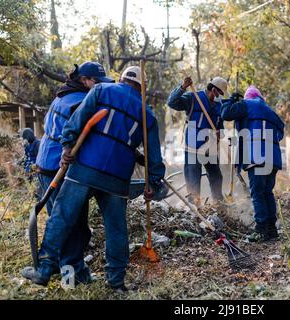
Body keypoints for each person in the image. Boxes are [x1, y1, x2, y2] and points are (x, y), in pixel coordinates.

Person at [22, 66, 168, 292]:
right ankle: (117, 282)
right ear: (142, 89)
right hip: (118, 179)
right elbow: (154, 157)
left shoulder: (101, 90)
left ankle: (43, 270)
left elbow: (77, 121)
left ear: (121, 80)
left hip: (85, 169)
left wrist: (67, 145)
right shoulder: (147, 114)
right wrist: (154, 181)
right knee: (117, 229)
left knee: (61, 218)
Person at [34, 61, 114, 281]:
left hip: (46, 164)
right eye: (95, 82)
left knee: (70, 224)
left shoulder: (62, 95)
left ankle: (70, 271)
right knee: (71, 226)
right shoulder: (80, 101)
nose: (98, 87)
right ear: (84, 80)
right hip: (57, 166)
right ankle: (72, 276)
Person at [221, 85, 285, 242]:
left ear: (247, 97)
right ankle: (272, 230)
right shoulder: (271, 111)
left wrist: (231, 100)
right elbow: (280, 131)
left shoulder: (246, 105)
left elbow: (225, 113)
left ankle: (261, 229)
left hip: (257, 157)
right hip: (273, 158)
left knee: (257, 194)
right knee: (267, 192)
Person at [167, 76, 227, 206]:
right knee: (194, 179)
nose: (220, 96)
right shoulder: (194, 98)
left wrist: (220, 134)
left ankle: (219, 205)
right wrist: (182, 87)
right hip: (193, 147)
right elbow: (172, 102)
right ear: (213, 89)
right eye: (219, 93)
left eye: (222, 94)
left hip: (210, 149)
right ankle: (194, 209)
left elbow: (221, 129)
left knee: (216, 177)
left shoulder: (219, 106)